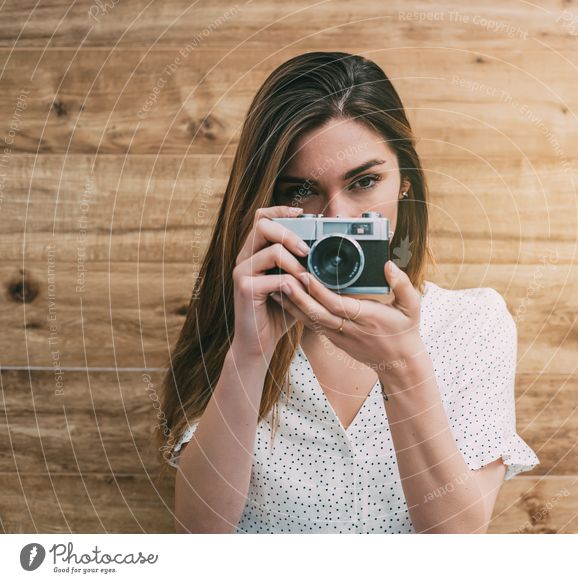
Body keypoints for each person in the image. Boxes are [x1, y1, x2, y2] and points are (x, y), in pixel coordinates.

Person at [157, 51, 539, 534]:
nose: (341, 217)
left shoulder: (473, 325)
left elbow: (456, 541)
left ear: (405, 180)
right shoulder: (238, 319)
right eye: (303, 191)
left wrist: (401, 366)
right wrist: (250, 353)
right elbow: (201, 534)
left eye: (364, 181)